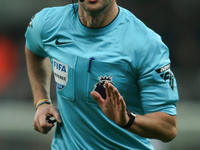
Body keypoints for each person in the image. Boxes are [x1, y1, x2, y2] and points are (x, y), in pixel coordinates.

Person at [25, 0, 179, 149]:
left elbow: (168, 127)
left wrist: (128, 119)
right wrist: (42, 101)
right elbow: (33, 48)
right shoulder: (47, 23)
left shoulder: (146, 44)